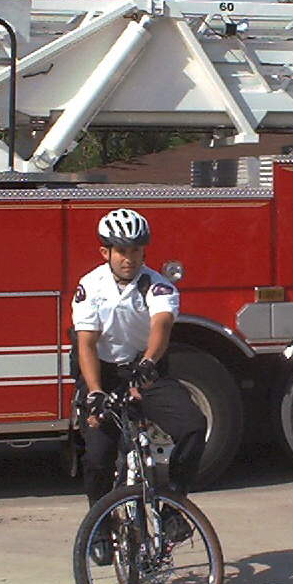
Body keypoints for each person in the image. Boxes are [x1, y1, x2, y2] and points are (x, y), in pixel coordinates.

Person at [72, 208, 207, 562]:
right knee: (99, 455)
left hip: (145, 369)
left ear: (144, 252)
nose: (128, 258)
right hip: (101, 373)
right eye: (121, 251)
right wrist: (95, 392)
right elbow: (86, 342)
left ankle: (173, 504)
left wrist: (147, 363)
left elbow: (161, 326)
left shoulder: (158, 284)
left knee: (194, 426)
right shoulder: (90, 286)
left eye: (135, 250)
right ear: (106, 253)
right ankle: (99, 525)